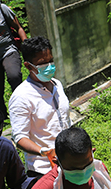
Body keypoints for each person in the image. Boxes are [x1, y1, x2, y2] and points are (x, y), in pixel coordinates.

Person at [9, 36, 71, 178]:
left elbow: (65, 121)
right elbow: (20, 138)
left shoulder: (57, 85)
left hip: (69, 162)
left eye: (50, 61)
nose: (49, 66)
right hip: (43, 169)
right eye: (43, 63)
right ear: (28, 66)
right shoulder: (21, 97)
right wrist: (45, 151)